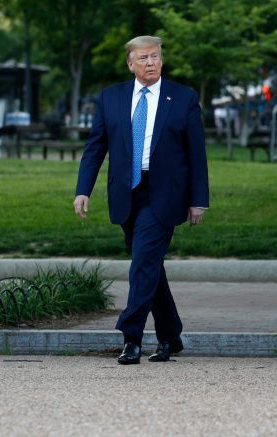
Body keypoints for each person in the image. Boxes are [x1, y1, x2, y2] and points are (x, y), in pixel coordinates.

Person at [73, 35, 209, 365]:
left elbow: (196, 154)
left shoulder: (183, 98)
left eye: (156, 57)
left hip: (165, 194)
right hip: (126, 192)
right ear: (130, 63)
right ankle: (170, 336)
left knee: (143, 263)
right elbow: (95, 148)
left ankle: (130, 335)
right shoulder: (110, 98)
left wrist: (198, 200)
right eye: (144, 58)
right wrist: (83, 190)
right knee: (150, 267)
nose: (151, 63)